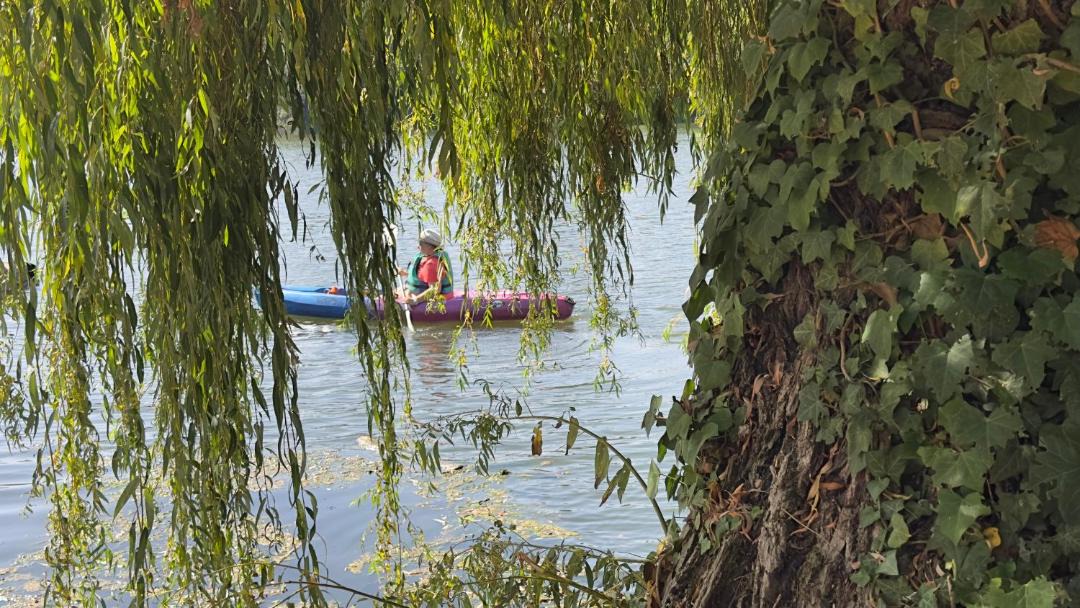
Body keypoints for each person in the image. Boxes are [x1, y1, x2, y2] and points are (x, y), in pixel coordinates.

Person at [397, 229, 453, 304]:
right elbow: (426, 277)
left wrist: (415, 300)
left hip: (432, 301)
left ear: (429, 246)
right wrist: (406, 273)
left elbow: (435, 289)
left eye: (420, 243)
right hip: (417, 292)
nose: (418, 246)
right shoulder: (434, 255)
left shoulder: (432, 263)